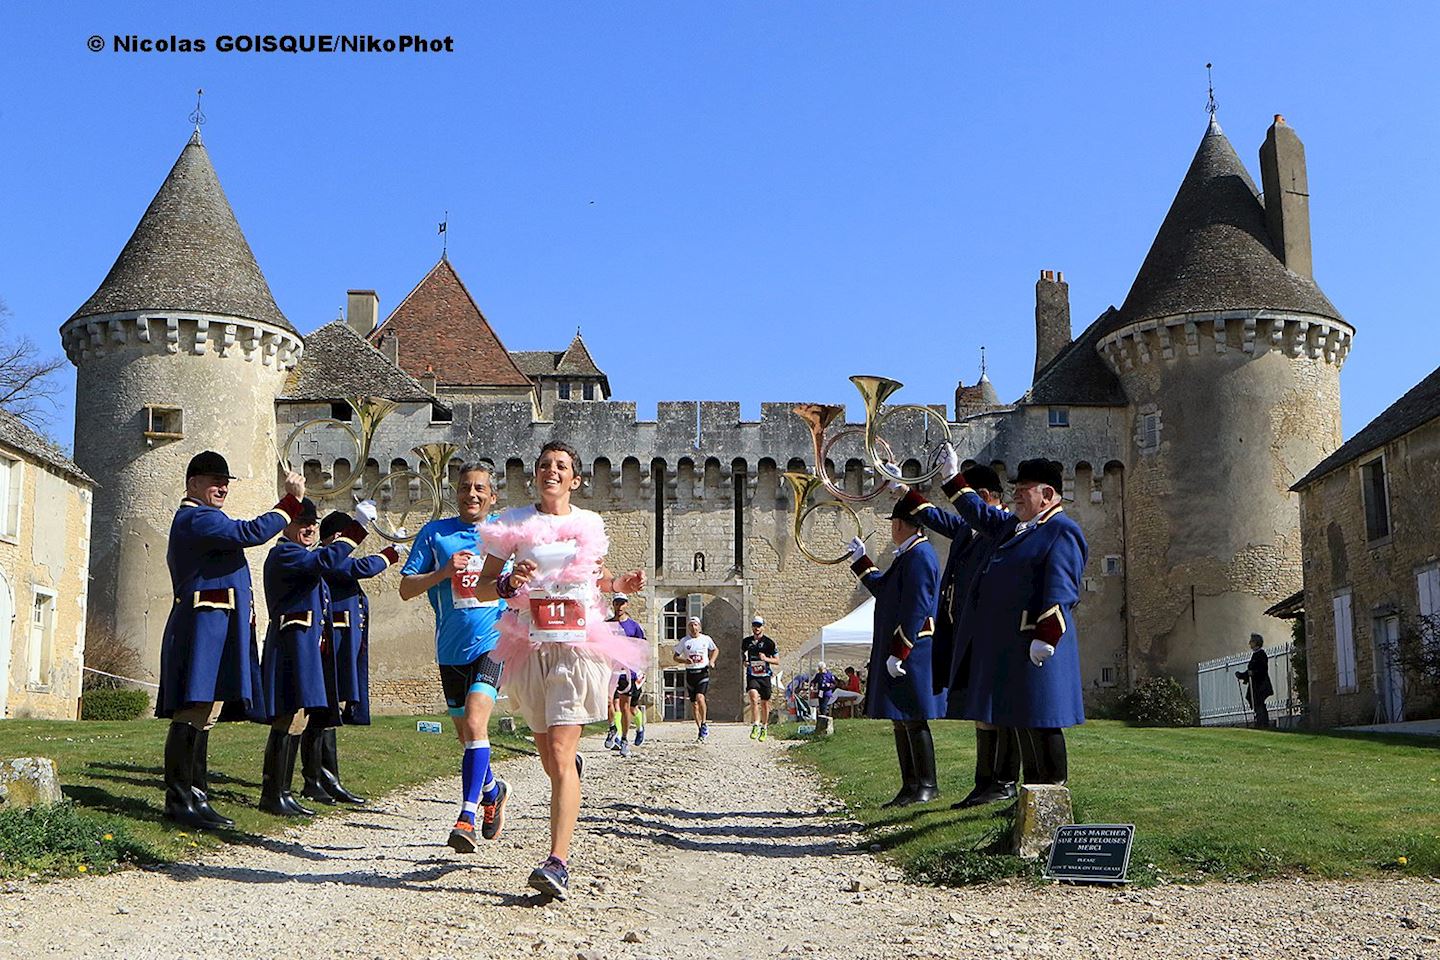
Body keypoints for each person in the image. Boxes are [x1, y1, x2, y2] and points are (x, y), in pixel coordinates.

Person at [477, 441, 646, 900]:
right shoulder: (512, 523)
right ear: (535, 475)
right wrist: (511, 580)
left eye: (562, 466)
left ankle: (558, 861)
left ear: (575, 479)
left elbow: (595, 579)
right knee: (552, 759)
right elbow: (484, 586)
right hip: (528, 643)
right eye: (545, 465)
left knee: (558, 744)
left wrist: (618, 585)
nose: (553, 471)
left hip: (576, 643)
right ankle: (567, 770)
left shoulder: (588, 524)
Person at [155, 451, 306, 829]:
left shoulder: (207, 516)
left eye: (225, 481)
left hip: (217, 624)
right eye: (213, 481)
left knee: (206, 713)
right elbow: (249, 533)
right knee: (193, 709)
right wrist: (289, 502)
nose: (222, 487)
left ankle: (197, 796)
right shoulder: (196, 517)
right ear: (193, 485)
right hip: (202, 624)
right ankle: (179, 799)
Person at [943, 452, 1088, 785]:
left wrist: (1047, 634)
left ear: (1048, 494)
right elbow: (981, 514)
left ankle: (1053, 796)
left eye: (1024, 488)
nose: (1016, 494)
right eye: (1016, 488)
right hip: (1016, 647)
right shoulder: (1018, 527)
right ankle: (1031, 799)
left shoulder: (1061, 530)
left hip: (1037, 644)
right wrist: (954, 480)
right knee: (1025, 721)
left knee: (1043, 720)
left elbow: (1062, 588)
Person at [892, 464, 1021, 808]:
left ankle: (1005, 781)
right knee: (981, 708)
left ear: (981, 498)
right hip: (970, 631)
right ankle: (984, 783)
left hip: (994, 629)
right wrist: (904, 490)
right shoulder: (970, 531)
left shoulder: (1005, 527)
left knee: (1000, 710)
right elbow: (937, 518)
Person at [399, 462, 512, 854]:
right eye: (466, 488)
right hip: (450, 649)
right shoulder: (435, 534)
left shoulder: (504, 535)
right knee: (467, 736)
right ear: (455, 492)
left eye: (481, 488)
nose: (473, 494)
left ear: (492, 496)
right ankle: (493, 792)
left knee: (478, 722)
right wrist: (443, 572)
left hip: (493, 642)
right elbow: (405, 589)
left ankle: (466, 815)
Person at [259, 497, 374, 816]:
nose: (309, 528)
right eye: (302, 523)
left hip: (305, 645)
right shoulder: (285, 553)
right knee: (287, 717)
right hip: (291, 644)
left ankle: (282, 791)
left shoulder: (301, 554)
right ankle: (273, 793)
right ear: (287, 525)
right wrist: (359, 528)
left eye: (312, 523)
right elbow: (326, 562)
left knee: (298, 718)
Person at [845, 498, 943, 807]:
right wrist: (862, 560)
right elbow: (885, 588)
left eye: (892, 523)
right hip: (903, 649)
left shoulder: (921, 556)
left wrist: (900, 650)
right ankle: (910, 785)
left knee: (914, 718)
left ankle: (926, 785)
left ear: (899, 525)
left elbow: (916, 608)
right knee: (901, 719)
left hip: (913, 649)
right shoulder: (909, 555)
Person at [303, 511, 404, 806]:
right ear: (337, 536)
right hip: (332, 643)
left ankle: (328, 777)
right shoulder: (326, 557)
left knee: (331, 711)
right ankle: (314, 779)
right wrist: (390, 553)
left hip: (344, 642)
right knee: (322, 711)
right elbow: (362, 567)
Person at [605, 594, 648, 755]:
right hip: (611, 669)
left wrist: (640, 668)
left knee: (626, 707)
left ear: (627, 605)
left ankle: (624, 739)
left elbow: (641, 647)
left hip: (628, 672)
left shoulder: (633, 626)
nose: (620, 606)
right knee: (609, 702)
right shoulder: (607, 625)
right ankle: (612, 728)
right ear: (614, 604)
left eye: (622, 603)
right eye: (617, 603)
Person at [672, 616, 719, 741]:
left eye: (695, 625)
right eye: (691, 626)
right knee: (694, 705)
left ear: (699, 627)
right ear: (688, 628)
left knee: (700, 697)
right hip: (690, 673)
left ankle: (704, 723)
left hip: (702, 672)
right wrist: (684, 660)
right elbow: (675, 657)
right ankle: (700, 729)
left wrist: (712, 661)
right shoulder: (684, 641)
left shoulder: (705, 639)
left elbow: (715, 650)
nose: (693, 628)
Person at [742, 616, 780, 740]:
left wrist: (766, 659)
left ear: (763, 627)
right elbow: (743, 654)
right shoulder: (746, 641)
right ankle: (756, 724)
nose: (756, 628)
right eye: (754, 625)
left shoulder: (769, 643)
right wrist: (744, 662)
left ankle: (764, 727)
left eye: (759, 626)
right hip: (752, 675)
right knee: (753, 697)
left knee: (765, 702)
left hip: (765, 676)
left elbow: (777, 660)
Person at [1236, 634, 1273, 729]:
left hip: (1261, 684)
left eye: (1251, 642)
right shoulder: (1255, 654)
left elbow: (1262, 669)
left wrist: (1252, 673)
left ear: (1256, 642)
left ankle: (1262, 722)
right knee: (1255, 701)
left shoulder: (1261, 654)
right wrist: (1243, 675)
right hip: (1256, 684)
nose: (1249, 643)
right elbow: (1251, 670)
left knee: (1259, 702)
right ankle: (1260, 721)